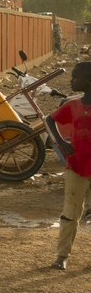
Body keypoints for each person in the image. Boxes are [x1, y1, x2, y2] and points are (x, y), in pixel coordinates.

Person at [45, 61, 91, 270]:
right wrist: (60, 142)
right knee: (70, 211)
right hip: (76, 166)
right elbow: (49, 119)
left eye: (75, 77)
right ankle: (62, 256)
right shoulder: (73, 105)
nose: (72, 80)